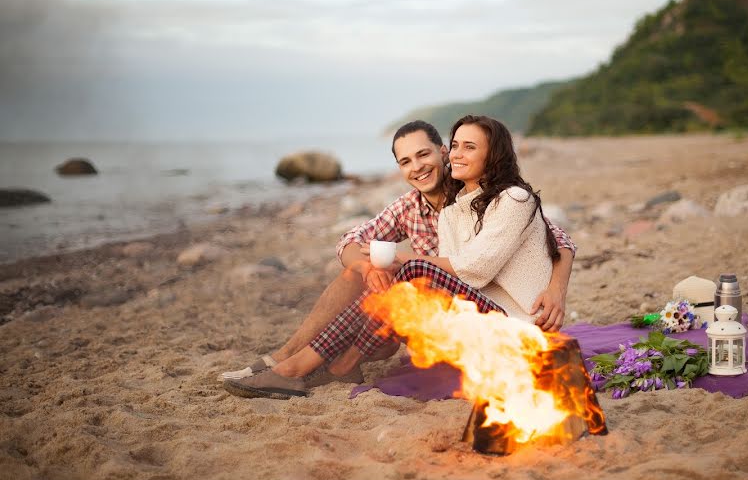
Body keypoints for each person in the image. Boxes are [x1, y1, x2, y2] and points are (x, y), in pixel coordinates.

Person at [223, 116, 572, 399]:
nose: (417, 167)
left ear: (441, 153)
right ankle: (290, 362)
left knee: (413, 269)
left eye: (424, 155)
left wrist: (555, 288)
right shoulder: (420, 208)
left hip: (482, 311)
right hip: (432, 312)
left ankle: (306, 367)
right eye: (405, 161)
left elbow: (554, 237)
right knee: (361, 274)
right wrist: (368, 267)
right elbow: (351, 240)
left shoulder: (502, 196)